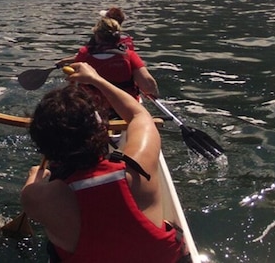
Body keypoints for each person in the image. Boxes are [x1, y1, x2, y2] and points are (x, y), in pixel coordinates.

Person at [21, 63, 189, 262]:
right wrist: (96, 80)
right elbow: (138, 115)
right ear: (101, 128)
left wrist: (34, 178)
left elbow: (33, 188)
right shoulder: (137, 166)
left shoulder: (36, 197)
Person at [59, 8, 159, 100]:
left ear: (97, 35)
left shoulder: (84, 53)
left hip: (92, 105)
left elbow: (73, 81)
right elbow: (148, 87)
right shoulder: (129, 54)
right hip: (125, 106)